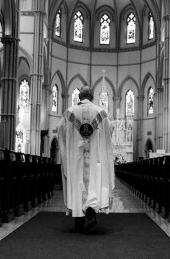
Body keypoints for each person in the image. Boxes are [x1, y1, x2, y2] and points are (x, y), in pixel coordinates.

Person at [56, 85, 115, 231]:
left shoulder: (69, 113)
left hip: (76, 160)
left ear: (79, 97)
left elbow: (60, 131)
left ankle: (78, 217)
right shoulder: (100, 113)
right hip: (95, 157)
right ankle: (90, 209)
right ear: (92, 97)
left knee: (77, 184)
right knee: (93, 182)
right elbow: (110, 129)